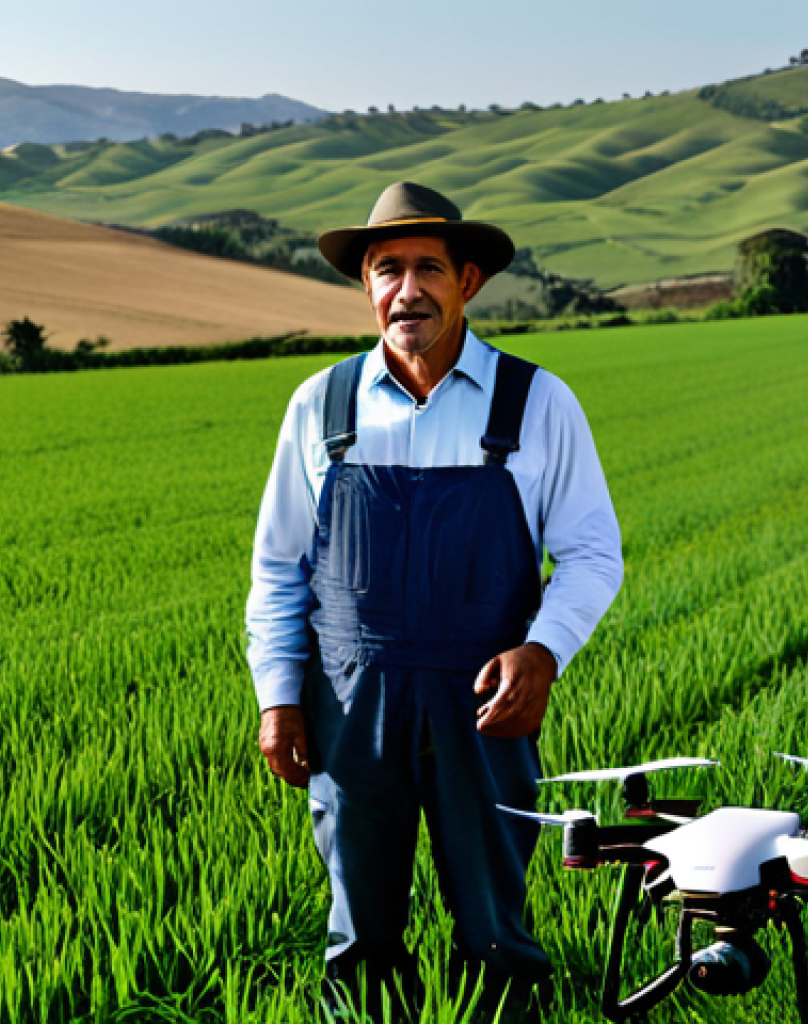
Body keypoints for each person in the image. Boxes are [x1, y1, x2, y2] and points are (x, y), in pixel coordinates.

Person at [246, 181, 623, 1021]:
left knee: (495, 928)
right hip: (349, 702)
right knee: (359, 933)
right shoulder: (321, 405)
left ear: (469, 281)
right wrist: (279, 698)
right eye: (387, 270)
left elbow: (595, 554)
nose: (406, 290)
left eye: (427, 268)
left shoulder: (536, 402)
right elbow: (278, 568)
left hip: (482, 700)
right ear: (368, 286)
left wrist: (544, 649)